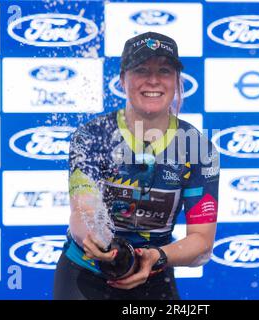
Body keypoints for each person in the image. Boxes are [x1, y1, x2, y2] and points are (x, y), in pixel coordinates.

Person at [53, 31, 220, 300]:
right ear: (122, 80)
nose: (153, 80)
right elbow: (82, 211)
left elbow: (201, 242)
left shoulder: (197, 148)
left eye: (164, 71)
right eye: (141, 69)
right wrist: (101, 244)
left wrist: (157, 256)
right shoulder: (92, 136)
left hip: (155, 272)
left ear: (177, 81)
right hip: (85, 275)